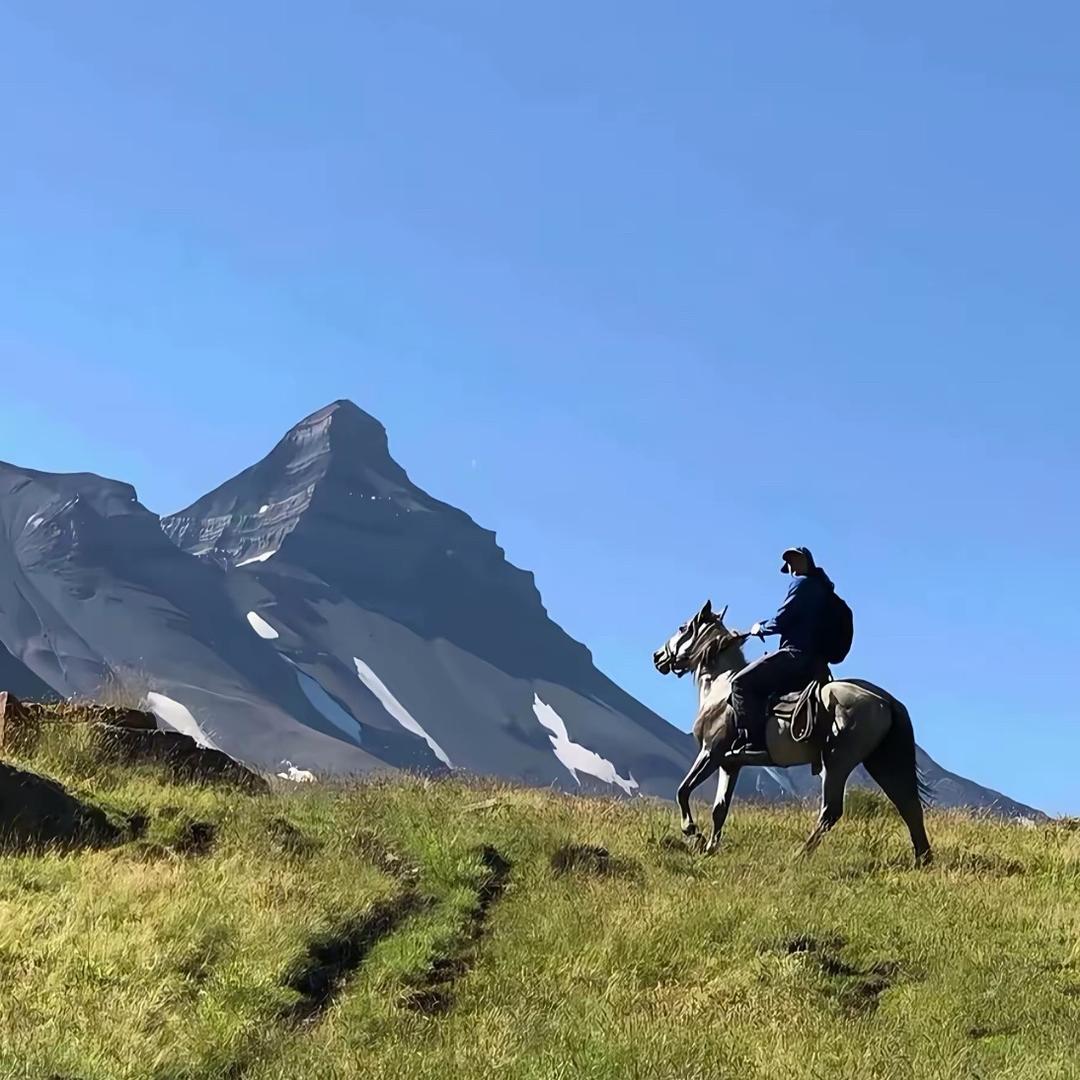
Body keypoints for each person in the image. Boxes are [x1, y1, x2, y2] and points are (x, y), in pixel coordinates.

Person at [727, 546, 836, 754]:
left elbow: (782, 619)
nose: (791, 567)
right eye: (789, 564)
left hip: (795, 655)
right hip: (817, 662)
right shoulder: (823, 588)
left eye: (793, 560)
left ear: (805, 561)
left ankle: (754, 744)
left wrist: (760, 628)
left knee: (740, 683)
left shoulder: (802, 584)